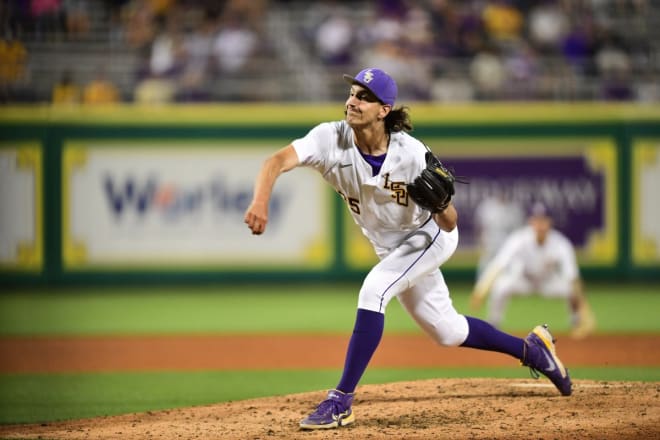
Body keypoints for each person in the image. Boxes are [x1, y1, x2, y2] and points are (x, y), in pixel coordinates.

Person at [244, 68, 572, 430]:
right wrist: (261, 201)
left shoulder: (412, 154)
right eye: (352, 93)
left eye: (364, 96)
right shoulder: (329, 138)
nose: (352, 101)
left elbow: (450, 223)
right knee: (446, 331)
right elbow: (274, 162)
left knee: (374, 291)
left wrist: (441, 204)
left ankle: (341, 401)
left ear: (384, 110)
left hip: (429, 236)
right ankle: (532, 351)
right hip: (391, 248)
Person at [470, 202, 596, 339]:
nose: (540, 225)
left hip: (548, 282)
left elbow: (573, 278)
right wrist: (480, 291)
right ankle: (493, 325)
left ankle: (577, 322)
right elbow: (498, 265)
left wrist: (586, 312)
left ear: (550, 222)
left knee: (571, 290)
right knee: (501, 286)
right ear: (530, 222)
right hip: (523, 280)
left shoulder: (560, 243)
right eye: (536, 220)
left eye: (544, 220)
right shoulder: (519, 239)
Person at [473, 190, 525, 278]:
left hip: (507, 244)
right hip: (490, 243)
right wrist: (480, 241)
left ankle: (509, 286)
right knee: (485, 268)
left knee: (509, 268)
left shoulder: (514, 209)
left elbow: (520, 232)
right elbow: (479, 226)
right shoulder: (487, 207)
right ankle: (480, 288)